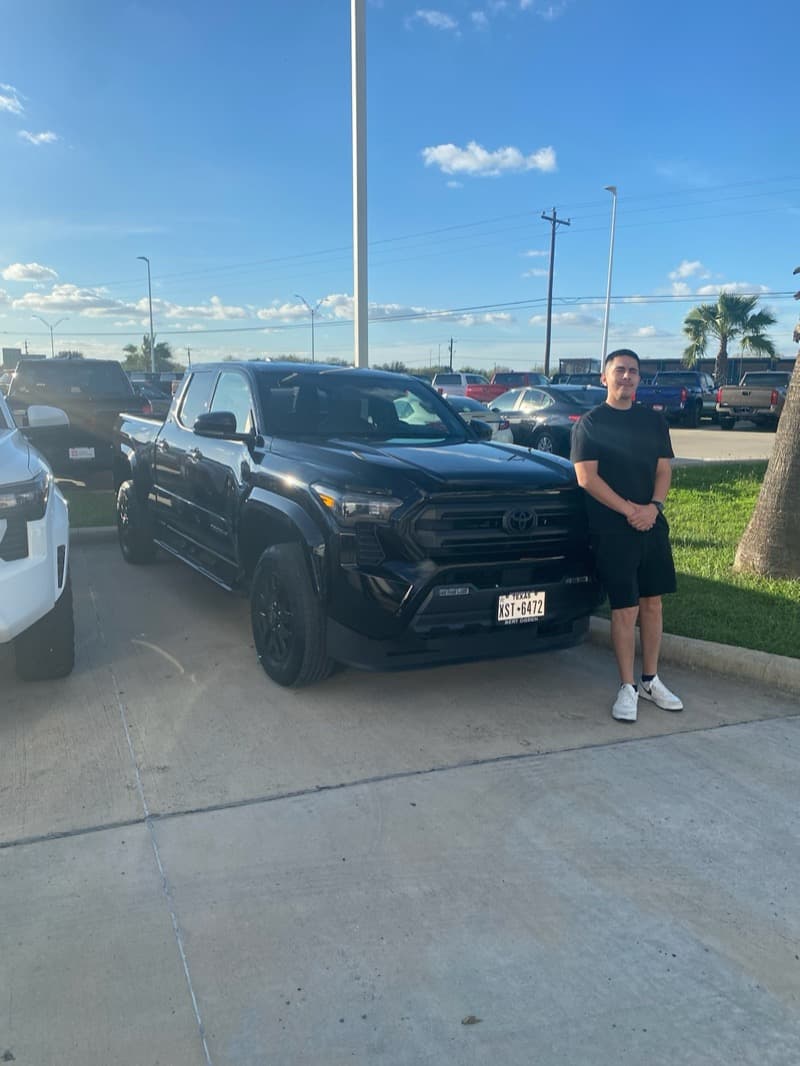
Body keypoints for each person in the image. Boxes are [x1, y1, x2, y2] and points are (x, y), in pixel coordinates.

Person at [570, 348, 683, 722]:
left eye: (633, 371)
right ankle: (627, 687)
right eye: (619, 370)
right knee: (626, 608)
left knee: (653, 604)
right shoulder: (590, 424)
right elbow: (586, 477)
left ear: (639, 379)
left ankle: (650, 681)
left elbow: (663, 469)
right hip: (613, 529)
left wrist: (653, 507)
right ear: (604, 378)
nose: (627, 376)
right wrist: (629, 510)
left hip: (651, 523)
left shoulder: (653, 422)